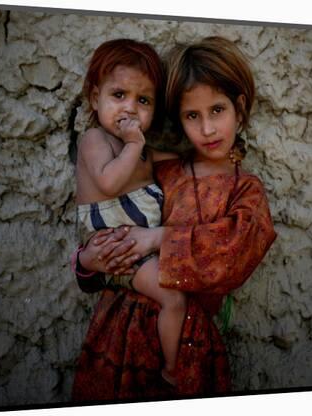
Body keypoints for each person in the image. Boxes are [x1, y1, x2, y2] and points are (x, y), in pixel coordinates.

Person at [71, 36, 277, 401]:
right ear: (178, 119)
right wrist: (87, 261)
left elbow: (235, 252)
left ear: (240, 108)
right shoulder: (160, 171)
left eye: (218, 110)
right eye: (192, 116)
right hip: (118, 333)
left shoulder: (244, 191)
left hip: (186, 342)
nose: (208, 129)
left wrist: (158, 238)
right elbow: (106, 232)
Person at [73, 38, 185, 386]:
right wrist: (135, 143)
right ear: (95, 99)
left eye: (143, 100)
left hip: (135, 252)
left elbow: (185, 162)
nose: (130, 108)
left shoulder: (144, 151)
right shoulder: (95, 140)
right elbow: (107, 182)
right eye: (118, 95)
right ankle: (172, 369)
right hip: (117, 252)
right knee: (174, 298)